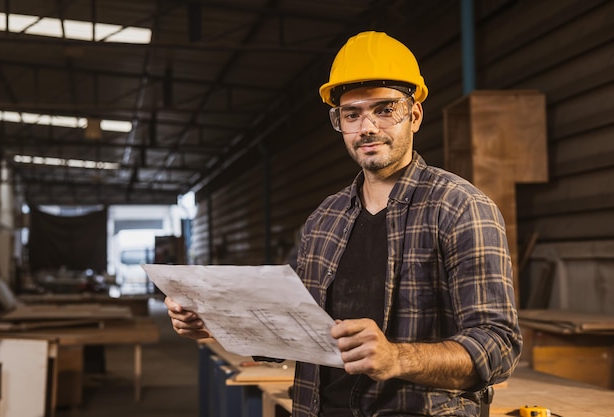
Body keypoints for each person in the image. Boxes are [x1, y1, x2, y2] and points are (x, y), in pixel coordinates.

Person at [165, 31, 522, 417]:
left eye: (384, 110)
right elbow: (294, 329)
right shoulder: (325, 219)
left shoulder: (459, 207)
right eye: (352, 114)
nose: (367, 127)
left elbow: (498, 346)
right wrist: (216, 320)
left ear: (414, 115)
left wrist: (396, 358)